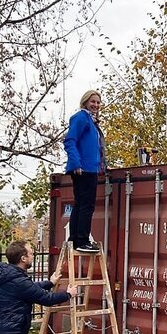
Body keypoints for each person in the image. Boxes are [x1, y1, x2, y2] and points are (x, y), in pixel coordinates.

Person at [63, 89, 107, 253]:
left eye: (98, 102)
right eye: (92, 101)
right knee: (86, 205)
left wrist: (101, 166)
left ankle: (75, 239)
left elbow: (93, 147)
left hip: (90, 168)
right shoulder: (81, 117)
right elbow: (69, 140)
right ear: (85, 102)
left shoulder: (91, 121)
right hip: (83, 169)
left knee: (80, 204)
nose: (95, 105)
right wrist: (76, 163)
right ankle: (82, 240)